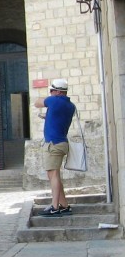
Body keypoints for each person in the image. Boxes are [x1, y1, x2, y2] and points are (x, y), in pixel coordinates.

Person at [35, 78, 76, 216]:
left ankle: (54, 206)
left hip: (54, 143)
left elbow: (37, 103)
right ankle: (64, 205)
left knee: (52, 175)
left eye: (51, 90)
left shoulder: (54, 100)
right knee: (55, 175)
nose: (50, 93)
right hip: (62, 142)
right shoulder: (71, 106)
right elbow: (58, 118)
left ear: (58, 91)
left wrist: (47, 98)